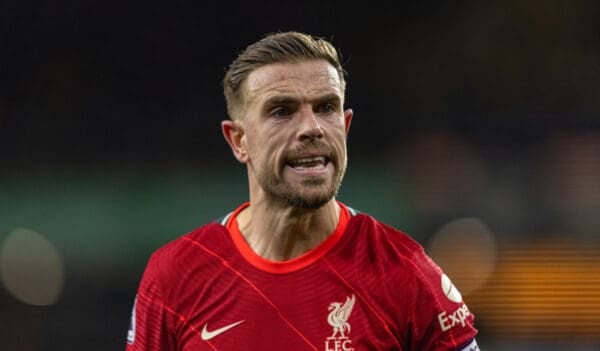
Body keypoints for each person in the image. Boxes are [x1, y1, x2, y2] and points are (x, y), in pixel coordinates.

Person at [125, 31, 480, 350]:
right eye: (282, 111)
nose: (312, 127)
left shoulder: (406, 273)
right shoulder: (175, 276)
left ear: (346, 125)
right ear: (239, 140)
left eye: (326, 108)